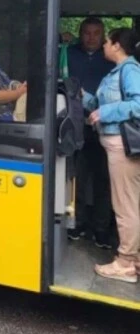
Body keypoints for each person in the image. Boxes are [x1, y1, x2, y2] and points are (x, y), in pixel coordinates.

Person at [84, 28, 140, 283]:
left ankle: (126, 263)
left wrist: (106, 112)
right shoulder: (118, 71)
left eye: (107, 41)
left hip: (122, 146)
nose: (103, 45)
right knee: (128, 202)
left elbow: (138, 104)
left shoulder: (130, 70)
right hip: (115, 144)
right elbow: (97, 103)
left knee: (124, 205)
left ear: (117, 45)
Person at [66, 17, 116, 246]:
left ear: (103, 35)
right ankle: (76, 224)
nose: (91, 38)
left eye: (96, 33)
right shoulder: (68, 53)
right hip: (75, 125)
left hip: (105, 128)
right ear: (80, 33)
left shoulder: (112, 59)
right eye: (87, 32)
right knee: (77, 177)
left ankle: (101, 229)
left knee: (103, 181)